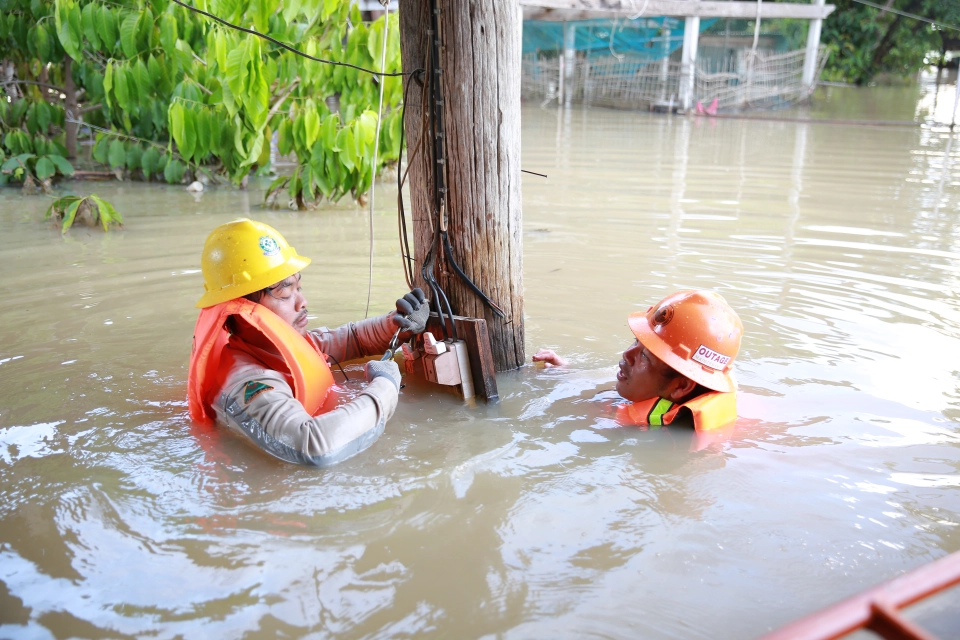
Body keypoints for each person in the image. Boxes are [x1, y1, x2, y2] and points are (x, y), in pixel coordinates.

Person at [187, 218, 430, 466]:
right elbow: (314, 446)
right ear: (243, 311)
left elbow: (353, 338)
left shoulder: (280, 345)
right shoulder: (249, 383)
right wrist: (385, 386)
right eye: (284, 291)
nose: (302, 302)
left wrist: (398, 326)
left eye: (299, 286)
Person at [534, 290, 743, 431]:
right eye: (636, 341)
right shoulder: (693, 391)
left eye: (644, 355)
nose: (627, 354)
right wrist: (568, 373)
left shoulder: (665, 441)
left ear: (681, 386)